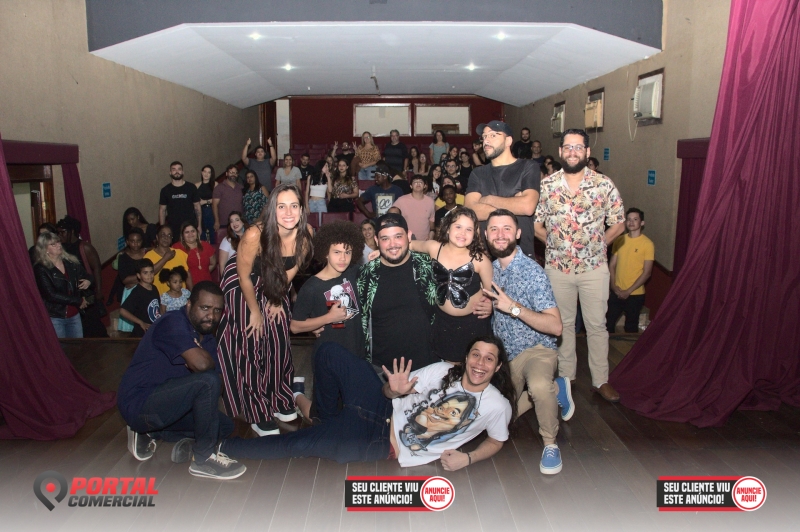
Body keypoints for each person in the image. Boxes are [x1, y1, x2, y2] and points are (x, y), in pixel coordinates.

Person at [220, 336, 514, 470]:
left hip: (379, 442)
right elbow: (389, 391)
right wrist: (393, 391)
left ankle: (219, 446)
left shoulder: (496, 406)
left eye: (489, 359)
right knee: (328, 351)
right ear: (466, 358)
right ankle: (324, 416)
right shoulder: (442, 371)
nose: (480, 363)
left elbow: (497, 440)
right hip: (381, 405)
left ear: (498, 366)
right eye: (476, 355)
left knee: (297, 444)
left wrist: (468, 458)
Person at [117, 281, 246, 480]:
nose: (211, 316)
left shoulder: (207, 338)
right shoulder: (172, 322)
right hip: (140, 403)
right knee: (206, 381)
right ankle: (203, 459)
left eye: (217, 310)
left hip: (169, 403)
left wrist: (201, 362)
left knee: (224, 426)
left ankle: (151, 433)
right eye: (205, 308)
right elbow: (203, 367)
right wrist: (202, 364)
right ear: (189, 305)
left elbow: (218, 386)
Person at [534, 128, 625, 403]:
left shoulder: (603, 184)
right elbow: (536, 225)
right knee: (562, 324)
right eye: (568, 147)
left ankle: (601, 380)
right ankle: (566, 377)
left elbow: (618, 222)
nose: (572, 152)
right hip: (557, 268)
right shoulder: (547, 186)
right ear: (560, 151)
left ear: (587, 152)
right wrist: (557, 245)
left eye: (578, 147)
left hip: (594, 268)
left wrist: (597, 246)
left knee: (597, 325)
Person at [481, 209, 572, 475]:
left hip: (536, 349)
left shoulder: (532, 272)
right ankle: (558, 388)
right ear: (486, 235)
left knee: (539, 386)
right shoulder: (491, 269)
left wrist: (513, 308)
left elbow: (556, 326)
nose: (500, 235)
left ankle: (550, 443)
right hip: (507, 358)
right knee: (499, 422)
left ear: (518, 234)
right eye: (494, 229)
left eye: (507, 229)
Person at [217, 184, 313, 437]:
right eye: (281, 206)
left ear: (302, 210)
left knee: (279, 335)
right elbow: (243, 276)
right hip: (243, 282)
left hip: (275, 282)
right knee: (253, 336)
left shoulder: (306, 234)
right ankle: (256, 410)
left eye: (294, 206)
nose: (288, 212)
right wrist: (255, 311)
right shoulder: (254, 234)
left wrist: (277, 298)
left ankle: (280, 398)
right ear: (272, 209)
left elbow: (290, 272)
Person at [407, 207, 494, 363]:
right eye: (458, 227)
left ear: (475, 234)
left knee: (471, 365)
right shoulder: (434, 248)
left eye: (469, 229)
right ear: (447, 228)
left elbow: (493, 293)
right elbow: (410, 245)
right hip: (443, 322)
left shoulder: (480, 260)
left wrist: (491, 305)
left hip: (473, 324)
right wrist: (381, 252)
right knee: (448, 367)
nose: (463, 233)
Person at [357, 213, 437, 371]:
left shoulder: (428, 266)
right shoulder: (365, 274)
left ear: (409, 236)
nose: (392, 244)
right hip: (381, 370)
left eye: (398, 236)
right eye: (385, 239)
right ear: (376, 241)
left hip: (427, 366)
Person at [464, 121, 541, 259]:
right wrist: (515, 203)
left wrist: (487, 200)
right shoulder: (478, 173)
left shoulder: (528, 167)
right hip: (486, 257)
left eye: (493, 135)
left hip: (521, 256)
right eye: (484, 136)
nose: (486, 140)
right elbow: (471, 211)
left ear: (508, 141)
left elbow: (528, 206)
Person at [291, 221, 365, 358]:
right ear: (326, 253)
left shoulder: (354, 272)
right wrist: (328, 318)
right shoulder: (311, 287)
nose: (343, 258)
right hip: (329, 357)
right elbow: (295, 326)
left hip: (357, 353)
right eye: (337, 252)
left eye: (347, 252)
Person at [33, 231, 91, 339]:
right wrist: (78, 301)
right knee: (61, 347)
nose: (58, 245)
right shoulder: (41, 268)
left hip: (74, 314)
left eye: (58, 242)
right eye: (53, 244)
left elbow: (87, 275)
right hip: (56, 316)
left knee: (78, 347)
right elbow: (51, 295)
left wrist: (88, 280)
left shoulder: (70, 262)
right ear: (45, 249)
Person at [56, 215, 107, 338]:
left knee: (92, 325)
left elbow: (96, 268)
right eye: (58, 232)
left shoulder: (84, 247)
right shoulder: (60, 248)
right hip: (71, 294)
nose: (59, 235)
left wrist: (99, 291)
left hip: (86, 292)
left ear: (72, 231)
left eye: (62, 232)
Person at [607, 208, 654, 333]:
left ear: (642, 223)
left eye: (635, 219)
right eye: (628, 219)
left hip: (635, 294)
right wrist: (613, 286)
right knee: (607, 325)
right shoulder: (619, 240)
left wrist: (628, 291)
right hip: (617, 291)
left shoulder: (647, 244)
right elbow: (612, 265)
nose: (631, 222)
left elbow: (647, 273)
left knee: (631, 328)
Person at [112, 228, 147, 333]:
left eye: (138, 241)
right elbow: (125, 280)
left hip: (145, 291)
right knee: (131, 329)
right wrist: (144, 277)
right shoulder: (123, 257)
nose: (135, 244)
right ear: (127, 242)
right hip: (130, 293)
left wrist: (137, 279)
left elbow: (153, 271)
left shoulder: (147, 254)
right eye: (132, 241)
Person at [159, 161, 201, 244]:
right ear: (170, 172)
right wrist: (162, 229)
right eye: (174, 169)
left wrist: (199, 225)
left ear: (183, 172)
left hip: (190, 226)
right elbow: (162, 210)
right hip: (173, 227)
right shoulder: (165, 190)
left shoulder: (191, 187)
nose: (177, 171)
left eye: (179, 169)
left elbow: (197, 207)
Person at [119, 259, 161, 338]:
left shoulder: (154, 288)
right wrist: (140, 322)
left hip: (153, 330)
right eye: (145, 273)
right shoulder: (137, 292)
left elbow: (157, 307)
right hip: (142, 333)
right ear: (138, 275)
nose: (149, 275)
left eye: (151, 272)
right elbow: (123, 311)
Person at [145, 225, 191, 294]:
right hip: (160, 297)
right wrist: (165, 258)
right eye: (163, 235)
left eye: (169, 235)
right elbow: (148, 274)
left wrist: (192, 293)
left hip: (181, 297)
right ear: (157, 237)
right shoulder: (149, 256)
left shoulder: (179, 253)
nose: (166, 238)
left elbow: (187, 275)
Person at [392, 174, 436, 241]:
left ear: (425, 186)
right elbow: (391, 215)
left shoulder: (430, 201)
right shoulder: (401, 200)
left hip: (424, 242)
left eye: (421, 182)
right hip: (407, 240)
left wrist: (432, 232)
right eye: (415, 182)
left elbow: (431, 221)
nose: (418, 184)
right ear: (411, 186)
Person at [213, 164, 245, 244]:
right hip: (224, 223)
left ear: (237, 175)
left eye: (235, 173)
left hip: (239, 223)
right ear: (226, 174)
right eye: (231, 172)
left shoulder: (241, 187)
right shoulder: (219, 188)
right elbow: (214, 205)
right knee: (226, 244)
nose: (233, 174)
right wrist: (217, 221)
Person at [196, 164, 216, 244]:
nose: (206, 174)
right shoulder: (196, 185)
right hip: (200, 212)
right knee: (201, 232)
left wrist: (204, 202)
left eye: (209, 172)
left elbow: (217, 199)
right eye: (205, 171)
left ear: (211, 174)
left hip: (212, 210)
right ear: (202, 172)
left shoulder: (215, 184)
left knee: (213, 232)